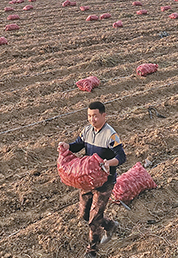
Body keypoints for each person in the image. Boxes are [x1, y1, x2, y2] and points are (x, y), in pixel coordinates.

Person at [58, 101, 126, 258]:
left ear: (103, 115)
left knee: (94, 219)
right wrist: (67, 146)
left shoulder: (110, 135)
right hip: (88, 179)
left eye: (95, 116)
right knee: (84, 214)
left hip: (105, 181)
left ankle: (92, 250)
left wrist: (109, 163)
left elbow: (121, 156)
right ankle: (110, 225)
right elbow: (77, 145)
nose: (92, 119)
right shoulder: (87, 131)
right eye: (89, 116)